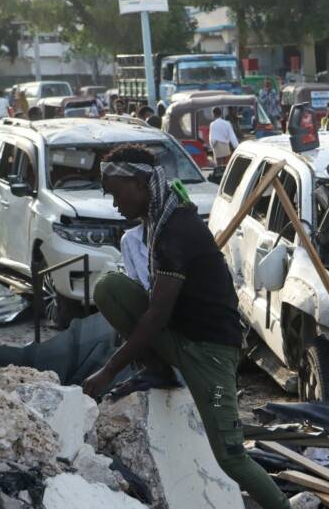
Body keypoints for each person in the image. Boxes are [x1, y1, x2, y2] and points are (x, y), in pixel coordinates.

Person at [85, 146, 292, 509]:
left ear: (139, 183)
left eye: (117, 193)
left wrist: (108, 370)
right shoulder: (159, 221)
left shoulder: (175, 231)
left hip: (212, 357)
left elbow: (156, 315)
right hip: (181, 340)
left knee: (230, 455)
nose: (115, 203)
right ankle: (160, 370)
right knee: (110, 289)